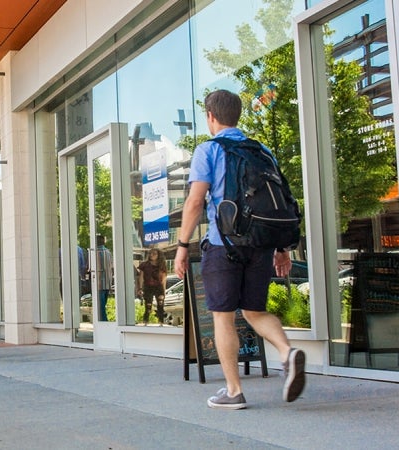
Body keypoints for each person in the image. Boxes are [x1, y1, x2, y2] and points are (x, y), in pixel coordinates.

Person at [174, 89, 306, 409]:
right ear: (237, 115)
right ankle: (287, 353)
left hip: (224, 246)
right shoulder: (262, 150)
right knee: (254, 311)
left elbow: (194, 202)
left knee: (223, 318)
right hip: (260, 246)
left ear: (210, 116)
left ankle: (234, 391)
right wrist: (281, 249)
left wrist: (181, 246)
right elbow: (277, 202)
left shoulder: (208, 150)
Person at [137, 248, 168, 324]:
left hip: (159, 287)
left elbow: (164, 279)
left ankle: (161, 323)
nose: (151, 255)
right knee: (148, 306)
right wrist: (140, 288)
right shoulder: (144, 265)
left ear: (158, 255)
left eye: (154, 253)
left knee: (160, 306)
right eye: (150, 253)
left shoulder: (162, 265)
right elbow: (141, 277)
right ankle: (145, 322)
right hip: (148, 287)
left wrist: (164, 291)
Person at [94, 234, 113, 321]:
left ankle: (104, 323)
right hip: (107, 283)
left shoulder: (95, 252)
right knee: (103, 305)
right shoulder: (108, 252)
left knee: (100, 307)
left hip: (98, 283)